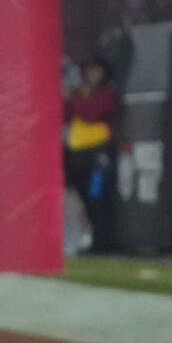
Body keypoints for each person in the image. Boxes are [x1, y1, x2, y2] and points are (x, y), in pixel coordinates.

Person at [63, 58, 118, 253]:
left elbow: (91, 113)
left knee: (97, 197)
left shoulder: (107, 94)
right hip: (78, 155)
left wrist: (75, 98)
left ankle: (103, 241)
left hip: (98, 155)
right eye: (90, 71)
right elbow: (67, 115)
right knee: (84, 198)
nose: (92, 76)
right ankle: (94, 239)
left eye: (97, 71)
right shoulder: (82, 93)